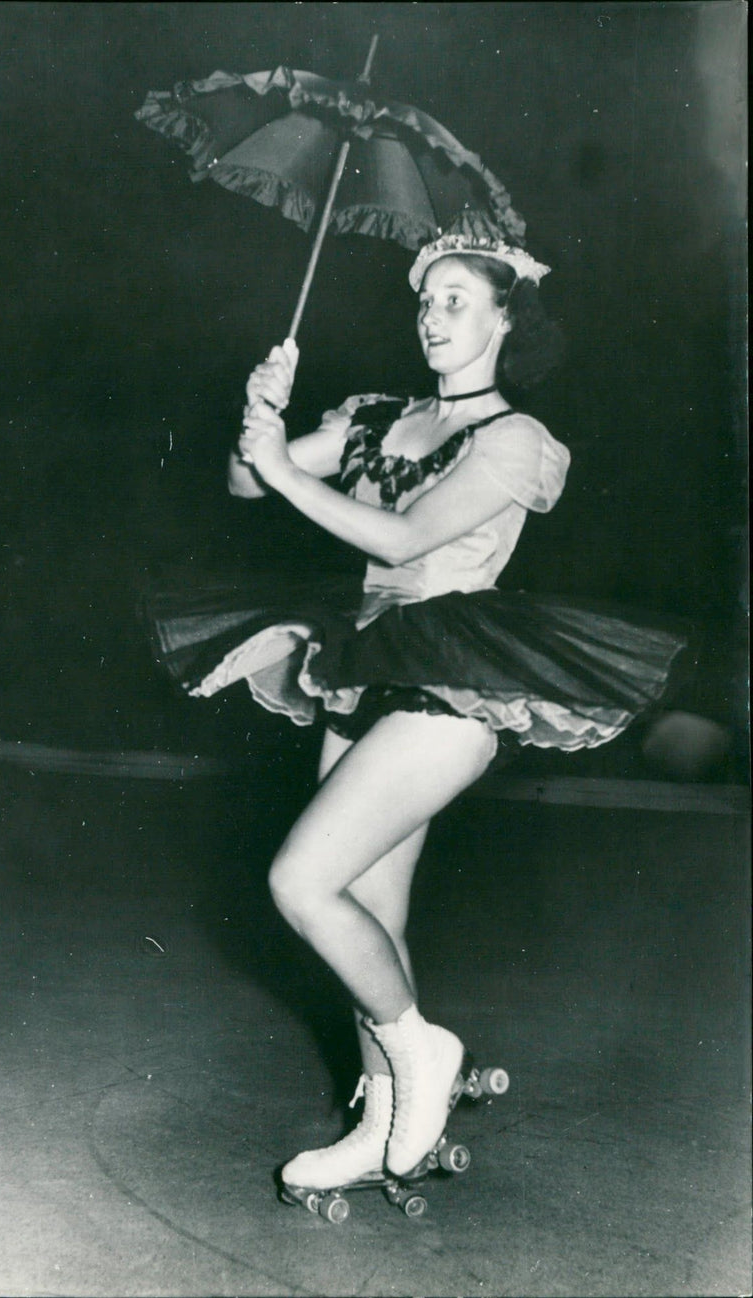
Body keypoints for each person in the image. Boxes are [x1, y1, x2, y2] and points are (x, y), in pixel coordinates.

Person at [146, 225, 687, 1195]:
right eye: (423, 298)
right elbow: (244, 477)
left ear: (503, 317)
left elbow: (402, 540)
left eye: (453, 300)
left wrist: (284, 471)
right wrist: (257, 416)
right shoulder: (375, 417)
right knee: (370, 914)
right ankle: (381, 1112)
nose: (429, 316)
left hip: (457, 677)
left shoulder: (513, 438)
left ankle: (418, 1048)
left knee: (302, 880)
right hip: (364, 663)